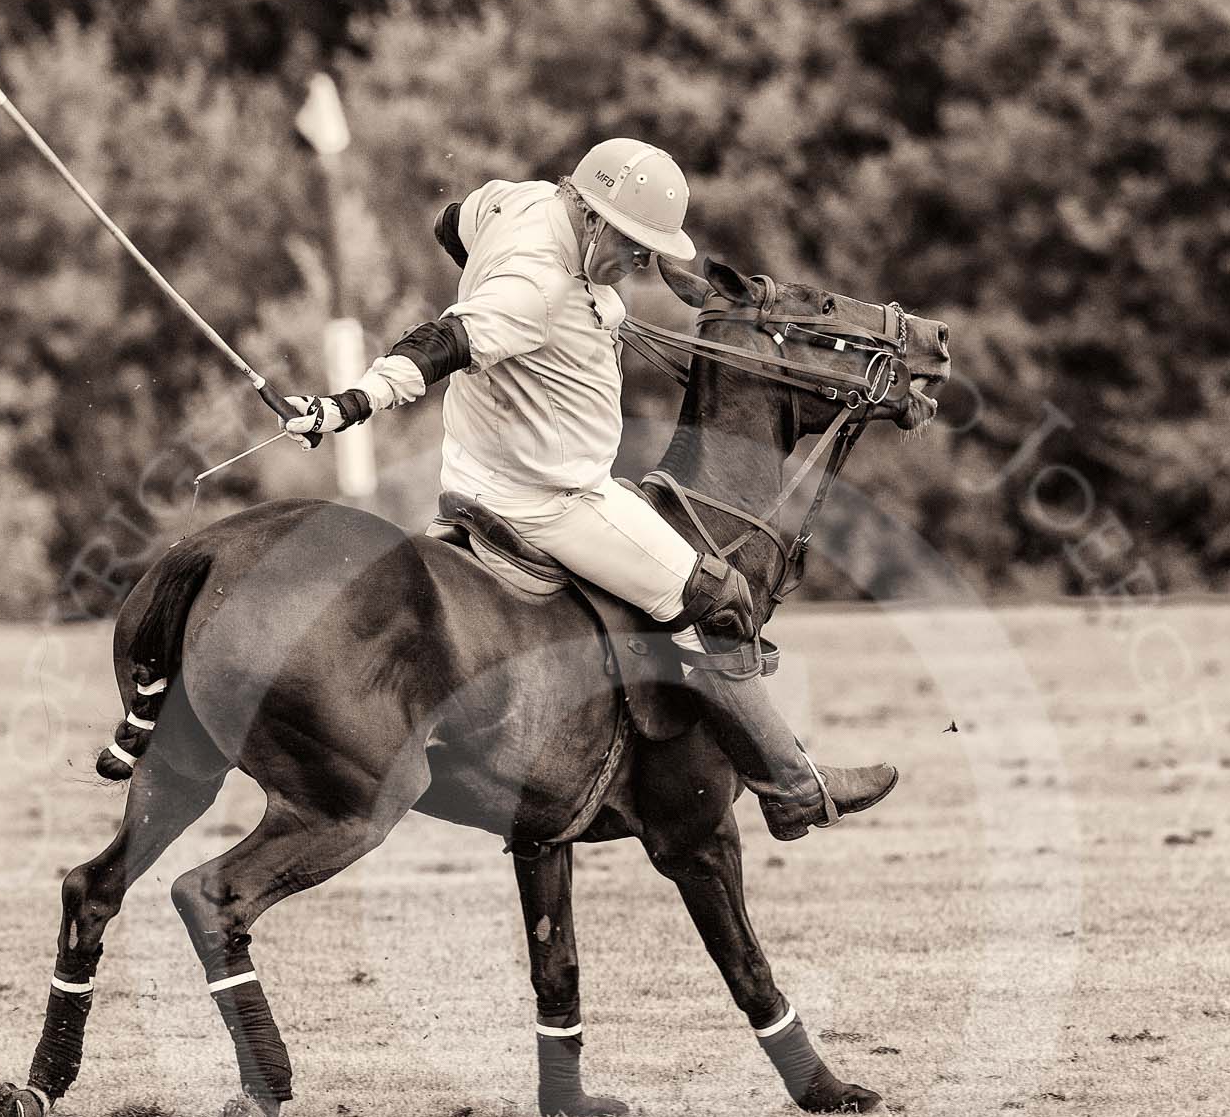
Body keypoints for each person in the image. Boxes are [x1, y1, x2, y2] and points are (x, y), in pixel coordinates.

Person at [285, 138, 896, 840]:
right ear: (591, 215)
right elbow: (446, 341)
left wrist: (518, 301)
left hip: (479, 473)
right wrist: (352, 403)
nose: (639, 267)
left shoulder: (514, 201)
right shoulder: (534, 289)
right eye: (634, 248)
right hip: (549, 501)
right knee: (720, 597)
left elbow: (451, 222)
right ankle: (791, 788)